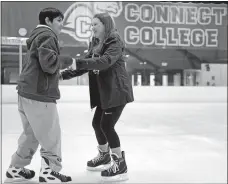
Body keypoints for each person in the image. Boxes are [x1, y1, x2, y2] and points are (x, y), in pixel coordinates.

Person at [61, 12, 134, 181]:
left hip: (116, 90)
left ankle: (120, 164)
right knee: (97, 123)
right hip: (104, 92)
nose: (92, 27)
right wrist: (64, 75)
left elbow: (106, 61)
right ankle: (104, 156)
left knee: (107, 125)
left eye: (95, 24)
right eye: (91, 24)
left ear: (105, 25)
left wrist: (77, 62)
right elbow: (85, 65)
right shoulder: (94, 43)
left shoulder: (114, 41)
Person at [4, 7, 73, 183]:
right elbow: (48, 64)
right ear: (48, 21)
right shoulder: (47, 36)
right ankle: (50, 171)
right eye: (58, 21)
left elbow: (39, 66)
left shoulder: (36, 36)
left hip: (26, 92)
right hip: (39, 94)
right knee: (51, 135)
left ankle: (16, 169)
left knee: (32, 134)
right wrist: (66, 61)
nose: (61, 25)